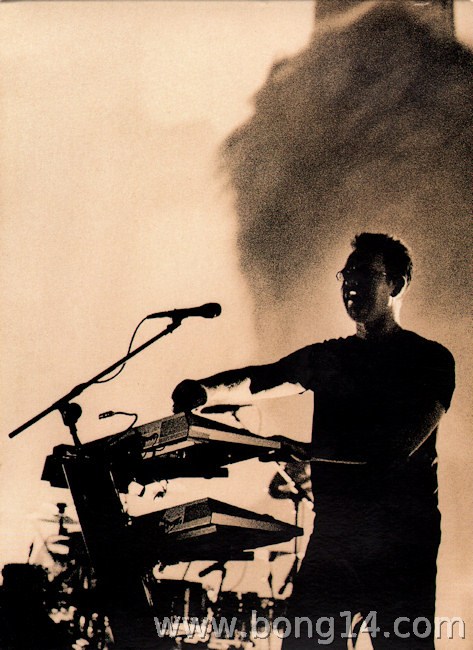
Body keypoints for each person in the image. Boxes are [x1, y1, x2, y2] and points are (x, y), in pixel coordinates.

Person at [172, 233, 455, 649]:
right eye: (346, 273)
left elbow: (394, 448)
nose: (350, 282)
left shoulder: (429, 360)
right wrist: (204, 391)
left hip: (400, 537)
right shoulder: (331, 357)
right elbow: (263, 378)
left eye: (364, 272)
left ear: (396, 283)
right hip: (337, 531)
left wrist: (311, 453)